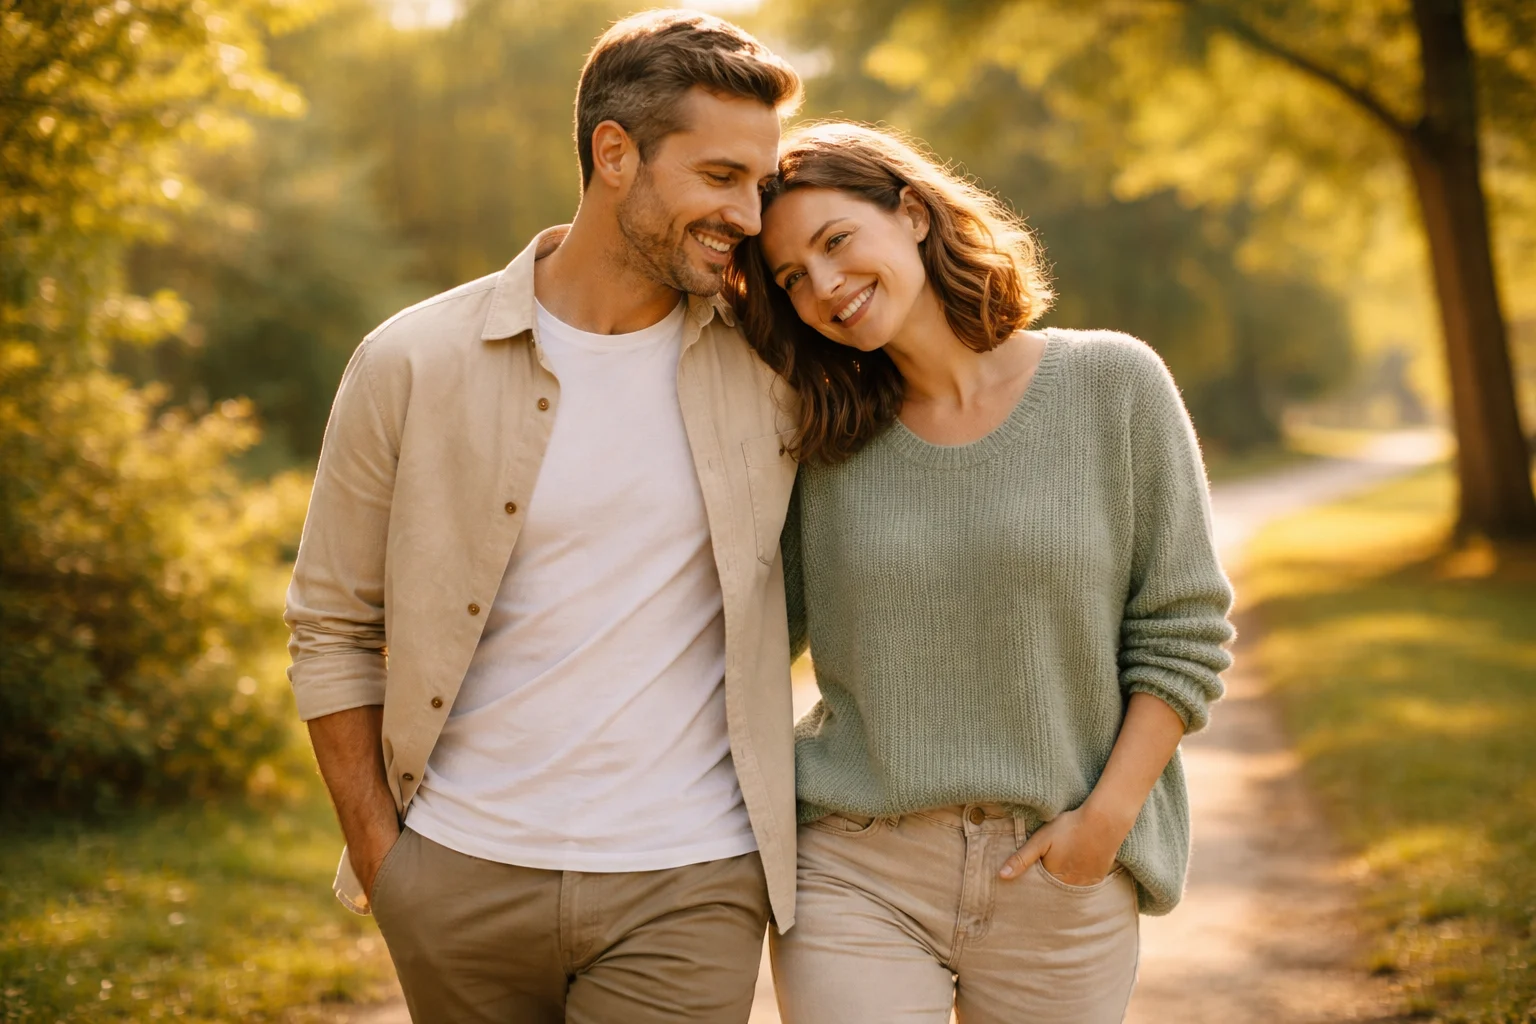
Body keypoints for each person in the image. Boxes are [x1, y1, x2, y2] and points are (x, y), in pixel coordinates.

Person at [284, 11, 804, 1022]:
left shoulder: (774, 370)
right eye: (720, 177)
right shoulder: (411, 361)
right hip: (460, 877)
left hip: (690, 881)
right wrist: (387, 865)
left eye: (760, 182)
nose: (749, 214)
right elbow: (332, 624)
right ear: (616, 154)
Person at [729, 122, 1237, 1023]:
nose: (825, 288)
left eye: (836, 241)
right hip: (856, 867)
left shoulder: (1113, 385)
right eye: (791, 279)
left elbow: (1182, 633)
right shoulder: (820, 440)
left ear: (914, 213)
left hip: (1060, 866)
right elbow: (750, 640)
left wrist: (1105, 825)